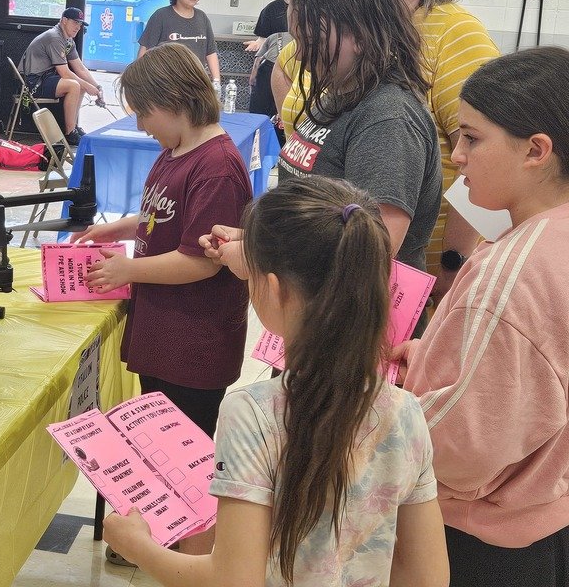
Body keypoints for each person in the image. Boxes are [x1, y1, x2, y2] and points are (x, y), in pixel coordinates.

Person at [101, 176, 449, 586]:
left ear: (272, 287)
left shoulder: (252, 414)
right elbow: (428, 577)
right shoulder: (406, 412)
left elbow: (234, 579)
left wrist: (138, 545)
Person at [396, 47, 569, 587]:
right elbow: (533, 377)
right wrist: (431, 356)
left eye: (472, 138)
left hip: (483, 541)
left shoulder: (514, 272)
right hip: (549, 516)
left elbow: (462, 445)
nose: (458, 156)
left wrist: (372, 420)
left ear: (536, 150)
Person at [72, 42, 252, 556]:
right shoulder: (175, 151)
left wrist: (128, 269)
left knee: (186, 456)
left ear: (174, 101)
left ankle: (191, 558)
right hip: (164, 332)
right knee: (157, 445)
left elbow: (202, 260)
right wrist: (122, 228)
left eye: (144, 113)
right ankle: (159, 539)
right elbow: (163, 218)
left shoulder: (217, 167)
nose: (141, 126)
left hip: (194, 341)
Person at [272, 0, 499, 297]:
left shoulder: (454, 33)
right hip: (324, 258)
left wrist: (453, 264)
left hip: (400, 267)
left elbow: (490, 160)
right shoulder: (338, 36)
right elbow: (287, 65)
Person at [277, 0, 441, 277]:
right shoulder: (341, 94)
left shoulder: (387, 119)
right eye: (296, 40)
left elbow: (372, 251)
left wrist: (258, 254)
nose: (300, 55)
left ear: (362, 37)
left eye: (310, 41)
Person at [19, 6, 103, 145]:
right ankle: (70, 133)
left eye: (80, 24)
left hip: (47, 77)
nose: (78, 27)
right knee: (74, 86)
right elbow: (64, 72)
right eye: (75, 22)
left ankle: (73, 127)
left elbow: (80, 68)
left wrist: (97, 87)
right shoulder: (54, 37)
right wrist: (88, 87)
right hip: (34, 82)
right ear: (64, 20)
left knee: (80, 85)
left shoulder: (68, 40)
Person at [244, 0, 307, 144]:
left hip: (298, 70)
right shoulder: (271, 9)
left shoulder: (309, 9)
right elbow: (263, 40)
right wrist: (255, 67)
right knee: (262, 113)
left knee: (286, 114)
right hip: (271, 67)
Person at [138, 0, 221, 85]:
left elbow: (210, 52)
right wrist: (140, 81)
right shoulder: (161, 16)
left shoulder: (202, 17)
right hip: (166, 83)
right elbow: (145, 51)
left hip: (196, 83)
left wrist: (216, 82)